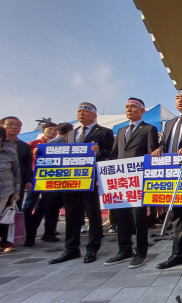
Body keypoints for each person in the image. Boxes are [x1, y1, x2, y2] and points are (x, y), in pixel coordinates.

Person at [49, 103, 113, 264]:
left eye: (85, 111)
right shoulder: (72, 134)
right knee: (71, 214)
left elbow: (112, 153)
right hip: (72, 180)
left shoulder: (104, 132)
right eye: (79, 111)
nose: (81, 113)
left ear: (94, 114)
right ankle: (71, 248)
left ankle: (92, 248)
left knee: (93, 215)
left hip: (91, 180)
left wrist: (101, 152)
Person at [104, 97, 159, 269]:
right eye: (127, 107)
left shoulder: (149, 129)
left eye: (133, 107)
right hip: (120, 181)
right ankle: (124, 250)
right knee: (121, 217)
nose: (129, 110)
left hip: (138, 180)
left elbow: (152, 153)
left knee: (139, 218)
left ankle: (141, 252)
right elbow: (114, 155)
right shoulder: (120, 131)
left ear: (142, 110)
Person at [152, 88, 182, 271]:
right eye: (177, 97)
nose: (180, 100)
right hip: (171, 174)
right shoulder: (170, 122)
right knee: (177, 217)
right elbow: (164, 143)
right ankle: (176, 254)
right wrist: (159, 149)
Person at [23, 121, 57, 247]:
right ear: (43, 130)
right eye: (50, 129)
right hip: (34, 180)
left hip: (51, 182)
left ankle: (33, 233)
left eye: (55, 130)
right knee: (28, 206)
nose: (52, 132)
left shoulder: (60, 145)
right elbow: (25, 164)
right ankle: (26, 233)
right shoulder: (32, 145)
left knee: (43, 208)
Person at [39, 122, 74, 242]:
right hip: (60, 182)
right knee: (52, 209)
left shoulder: (48, 143)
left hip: (50, 182)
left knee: (51, 209)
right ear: (69, 132)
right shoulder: (68, 144)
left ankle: (48, 233)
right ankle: (49, 233)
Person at [0, 117, 32, 210]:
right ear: (2, 126)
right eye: (10, 124)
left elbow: (27, 165)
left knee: (11, 212)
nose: (14, 127)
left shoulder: (25, 146)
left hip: (17, 183)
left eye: (18, 125)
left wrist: (28, 180)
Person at [0, 126, 21, 252]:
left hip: (5, 191)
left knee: (4, 218)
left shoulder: (10, 153)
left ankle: (5, 242)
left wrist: (17, 191)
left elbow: (17, 173)